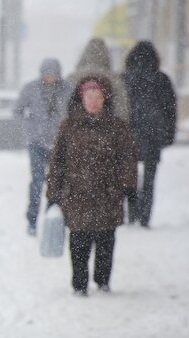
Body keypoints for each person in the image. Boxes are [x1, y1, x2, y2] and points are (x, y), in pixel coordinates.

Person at [46, 75, 137, 296]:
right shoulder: (69, 126)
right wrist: (53, 193)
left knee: (106, 239)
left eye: (98, 97)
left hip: (108, 193)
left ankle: (103, 280)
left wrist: (127, 186)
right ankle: (79, 283)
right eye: (89, 97)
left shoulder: (117, 127)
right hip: (77, 194)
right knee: (79, 240)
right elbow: (58, 161)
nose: (94, 102)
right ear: (81, 98)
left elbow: (127, 158)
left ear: (105, 99)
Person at [13, 58, 73, 235]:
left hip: (60, 144)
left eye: (53, 73)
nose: (50, 77)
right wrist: (30, 128)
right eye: (47, 73)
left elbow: (75, 112)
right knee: (37, 182)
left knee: (57, 183)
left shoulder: (68, 90)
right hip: (37, 143)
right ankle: (32, 220)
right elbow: (17, 111)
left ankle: (52, 218)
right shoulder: (30, 88)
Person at [121, 41, 177, 228]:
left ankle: (132, 212)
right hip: (153, 134)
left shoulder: (124, 78)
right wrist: (168, 134)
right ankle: (145, 216)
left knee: (129, 176)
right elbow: (170, 110)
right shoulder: (162, 79)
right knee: (150, 178)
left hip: (129, 134)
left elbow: (119, 107)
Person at [67, 37, 129, 121]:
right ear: (106, 55)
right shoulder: (114, 79)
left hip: (77, 125)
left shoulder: (72, 78)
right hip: (107, 125)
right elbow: (122, 108)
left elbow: (64, 106)